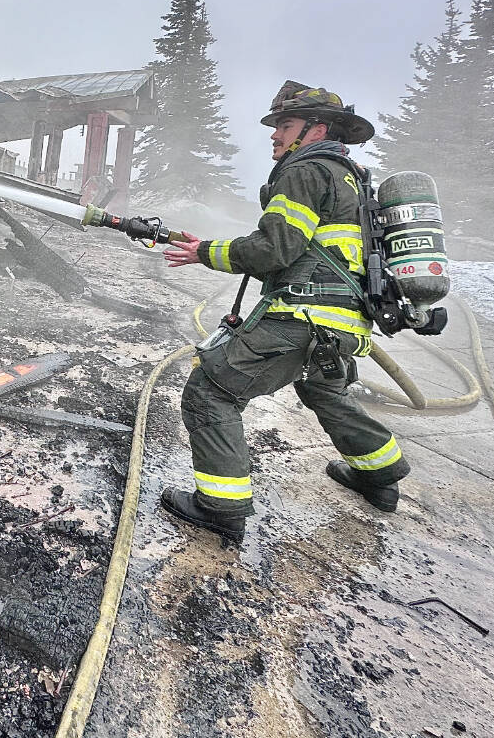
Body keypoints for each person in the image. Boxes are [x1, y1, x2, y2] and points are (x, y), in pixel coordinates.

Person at [160, 81, 409, 542]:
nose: (274, 136)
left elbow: (277, 248)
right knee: (326, 392)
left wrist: (204, 252)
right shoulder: (351, 177)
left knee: (210, 390)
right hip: (345, 323)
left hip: (302, 316)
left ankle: (221, 506)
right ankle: (380, 475)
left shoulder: (306, 171)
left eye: (285, 125)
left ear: (317, 129)